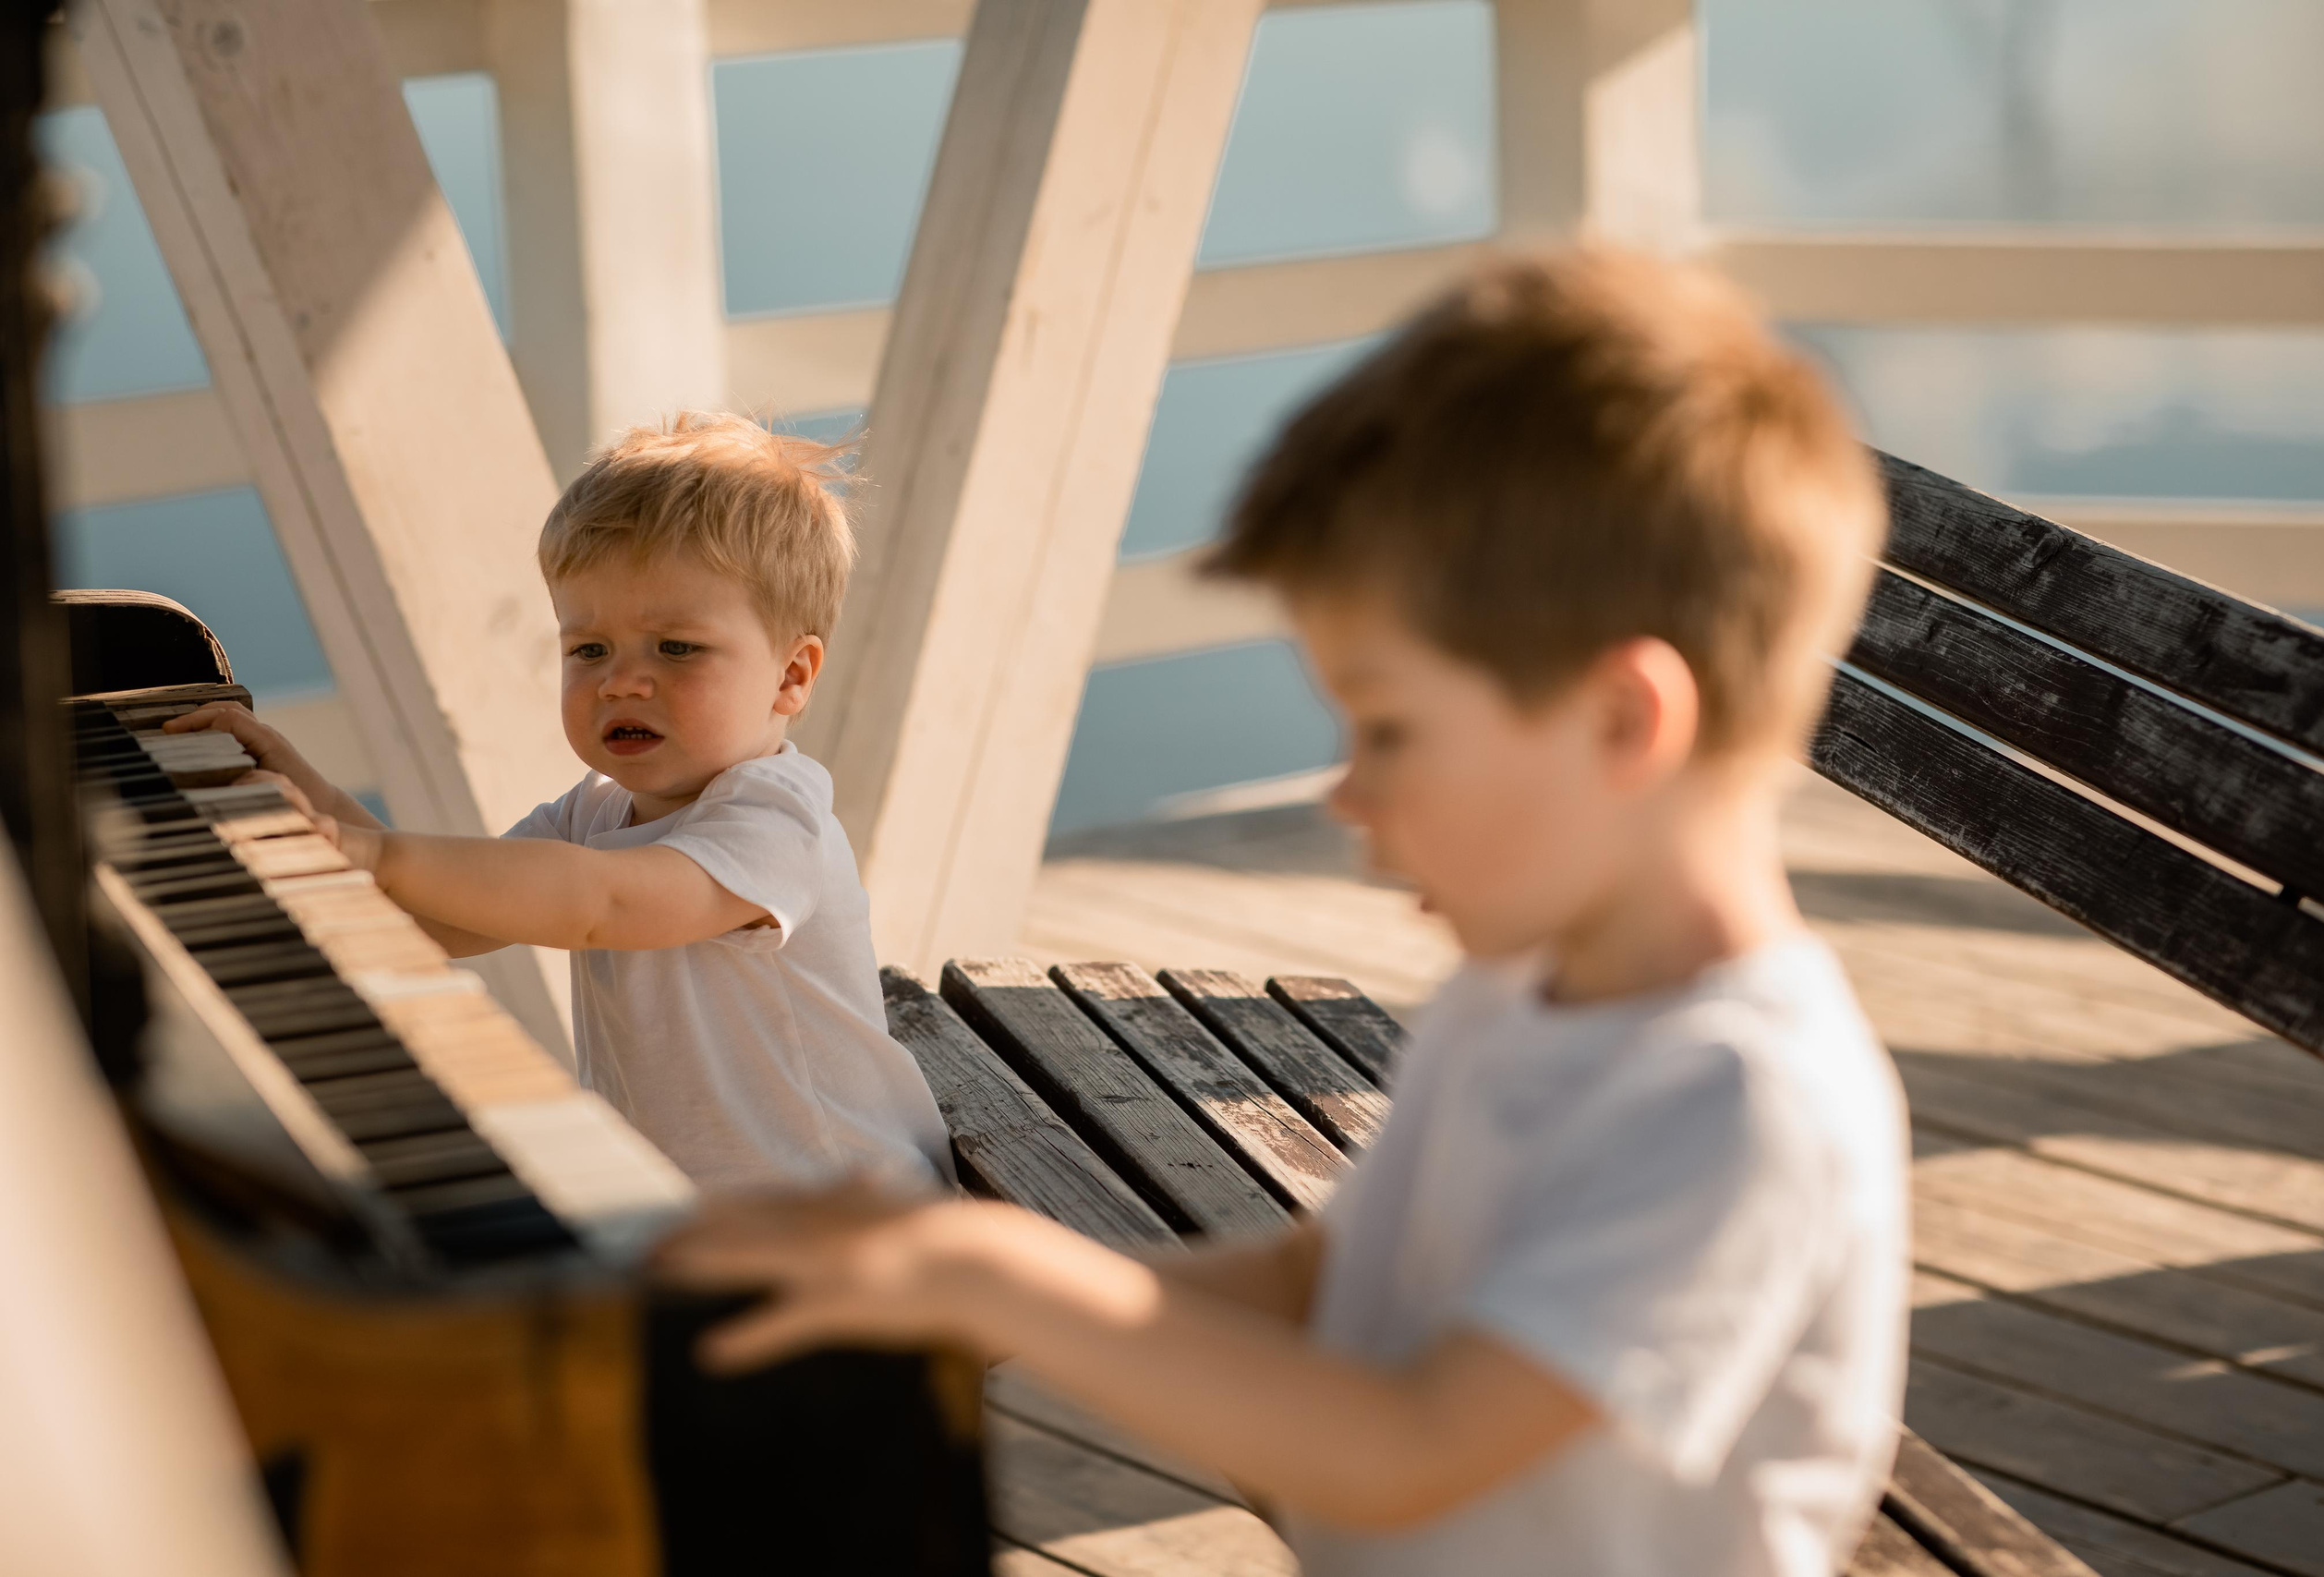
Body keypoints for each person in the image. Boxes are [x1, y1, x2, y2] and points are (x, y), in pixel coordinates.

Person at [656, 249, 1909, 1576]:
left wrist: (992, 1273)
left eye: (1388, 725)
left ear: (1621, 720)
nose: (1347, 787)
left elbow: (1415, 1438)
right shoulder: (1524, 993)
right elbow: (1331, 1288)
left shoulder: (1738, 1102)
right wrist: (942, 1296)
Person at [165, 413, 951, 1196]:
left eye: (676, 647)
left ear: (792, 675)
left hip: (848, 1215)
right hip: (701, 1218)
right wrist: (317, 801)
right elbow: (445, 916)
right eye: (589, 649)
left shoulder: (779, 818)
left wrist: (369, 853)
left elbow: (600, 903)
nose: (621, 681)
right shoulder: (596, 814)